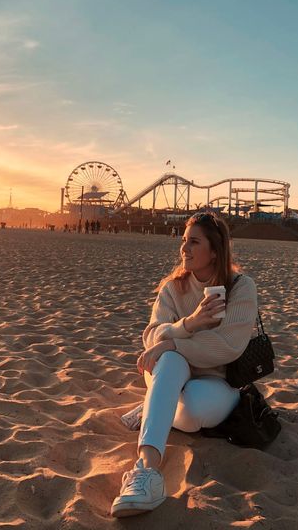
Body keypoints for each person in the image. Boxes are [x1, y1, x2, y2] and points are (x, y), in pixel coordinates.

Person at [111, 212, 258, 517]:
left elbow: (228, 346)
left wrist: (172, 342)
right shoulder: (172, 288)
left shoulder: (241, 288)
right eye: (183, 241)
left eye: (194, 242)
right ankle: (147, 471)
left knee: (191, 411)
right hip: (169, 371)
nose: (184, 249)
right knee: (170, 363)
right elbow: (151, 335)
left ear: (215, 250)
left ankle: (156, 405)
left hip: (217, 380)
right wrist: (187, 325)